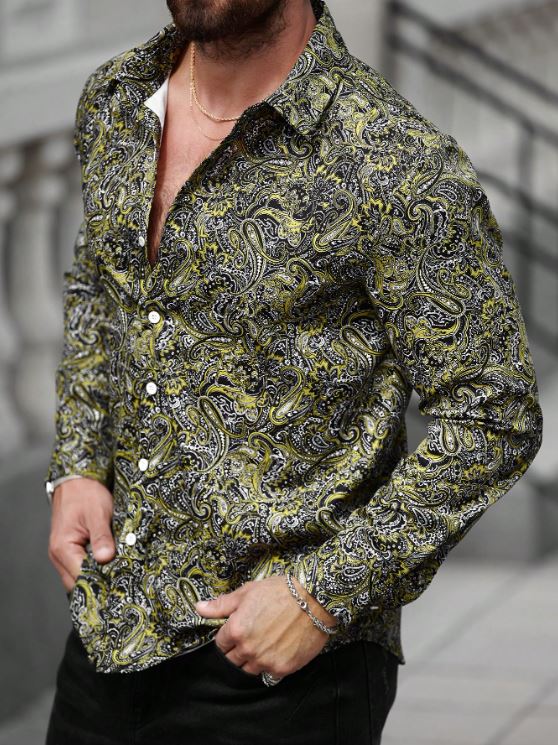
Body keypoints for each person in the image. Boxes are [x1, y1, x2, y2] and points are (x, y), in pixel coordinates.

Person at [43, 0, 543, 743]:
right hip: (109, 629)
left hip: (279, 672)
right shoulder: (118, 98)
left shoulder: (394, 161)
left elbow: (493, 415)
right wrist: (78, 464)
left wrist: (322, 592)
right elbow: (99, 285)